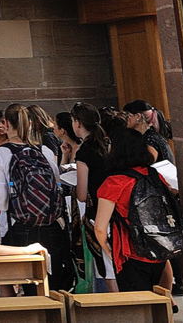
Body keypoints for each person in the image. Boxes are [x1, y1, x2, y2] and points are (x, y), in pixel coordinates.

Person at [0, 104, 72, 292]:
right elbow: (56, 184)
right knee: (52, 287)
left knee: (25, 285)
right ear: (29, 123)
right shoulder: (44, 151)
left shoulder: (0, 155)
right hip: (51, 225)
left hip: (19, 226)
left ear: (5, 123)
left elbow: (0, 200)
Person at [95, 128, 178, 292]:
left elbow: (99, 228)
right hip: (159, 248)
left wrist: (108, 251)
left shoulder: (114, 182)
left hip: (129, 252)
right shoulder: (153, 174)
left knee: (138, 307)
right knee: (156, 303)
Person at [71, 102, 116, 292]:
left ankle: (123, 307)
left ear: (77, 123)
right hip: (119, 208)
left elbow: (82, 195)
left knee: (108, 267)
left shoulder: (85, 151)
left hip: (99, 211)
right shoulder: (108, 143)